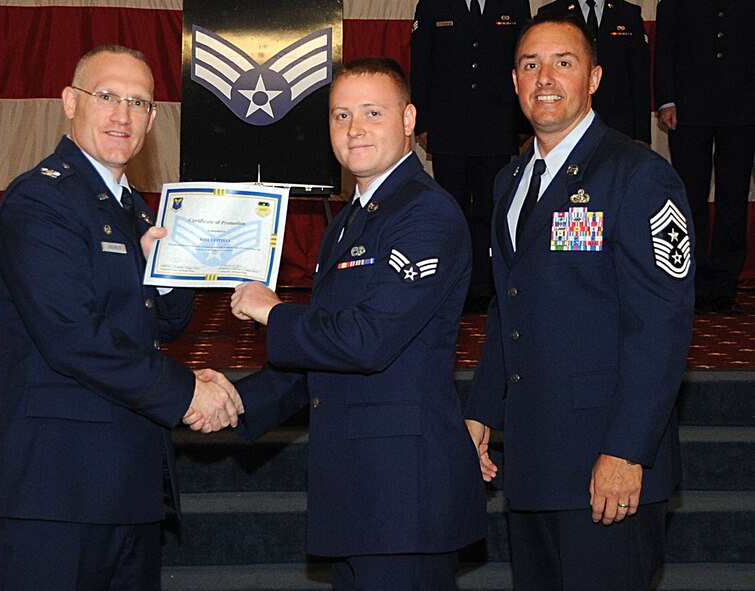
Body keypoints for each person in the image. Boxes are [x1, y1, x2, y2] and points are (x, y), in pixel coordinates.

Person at [0, 44, 242, 590]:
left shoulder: (132, 207)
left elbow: (160, 326)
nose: (122, 114)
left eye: (138, 102)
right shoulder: (41, 201)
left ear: (152, 118)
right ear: (70, 102)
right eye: (107, 96)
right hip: (50, 497)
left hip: (123, 493)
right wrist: (189, 391)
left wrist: (164, 270)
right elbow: (74, 338)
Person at [228, 57, 485, 590]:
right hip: (355, 494)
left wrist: (273, 311)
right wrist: (233, 404)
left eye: (372, 112)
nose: (355, 129)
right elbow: (323, 352)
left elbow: (367, 341)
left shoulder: (426, 214)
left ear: (409, 119)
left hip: (403, 499)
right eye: (341, 116)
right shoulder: (348, 221)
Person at [464, 13, 694, 590]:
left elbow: (660, 328)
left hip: (607, 469)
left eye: (562, 63)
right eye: (529, 65)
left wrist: (626, 451)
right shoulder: (510, 181)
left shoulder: (639, 175)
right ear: (514, 81)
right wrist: (481, 411)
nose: (545, 78)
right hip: (534, 463)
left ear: (593, 78)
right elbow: (506, 307)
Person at [411, 0, 531, 312]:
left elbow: (523, 63)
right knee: (451, 211)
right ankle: (453, 285)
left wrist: (522, 123)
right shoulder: (432, 5)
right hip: (448, 127)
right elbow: (421, 64)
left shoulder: (513, 5)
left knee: (491, 211)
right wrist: (423, 123)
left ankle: (486, 286)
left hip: (497, 126)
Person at [654, 0, 755, 314]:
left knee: (733, 199)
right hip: (688, 109)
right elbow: (665, 47)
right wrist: (666, 100)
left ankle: (724, 286)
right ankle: (691, 282)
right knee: (688, 199)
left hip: (743, 107)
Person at [537, 0, 651, 144]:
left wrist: (642, 134)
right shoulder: (551, 13)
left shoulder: (628, 14)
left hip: (618, 124)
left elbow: (640, 77)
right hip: (566, 123)